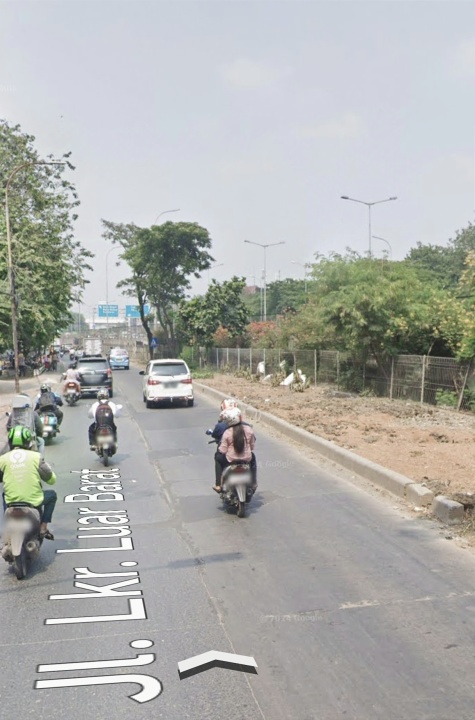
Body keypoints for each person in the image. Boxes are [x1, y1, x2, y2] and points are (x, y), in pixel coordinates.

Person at [0, 425, 57, 539]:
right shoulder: (36, 457)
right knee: (52, 495)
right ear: (28, 442)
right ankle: (43, 527)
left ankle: (8, 527)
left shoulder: (3, 459)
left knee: (4, 494)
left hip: (11, 503)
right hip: (33, 501)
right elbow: (51, 480)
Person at [213, 407, 257, 493]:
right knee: (253, 458)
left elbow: (223, 450)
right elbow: (252, 447)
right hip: (246, 458)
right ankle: (254, 482)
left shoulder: (227, 432)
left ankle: (218, 484)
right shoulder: (249, 429)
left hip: (231, 459)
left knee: (217, 457)